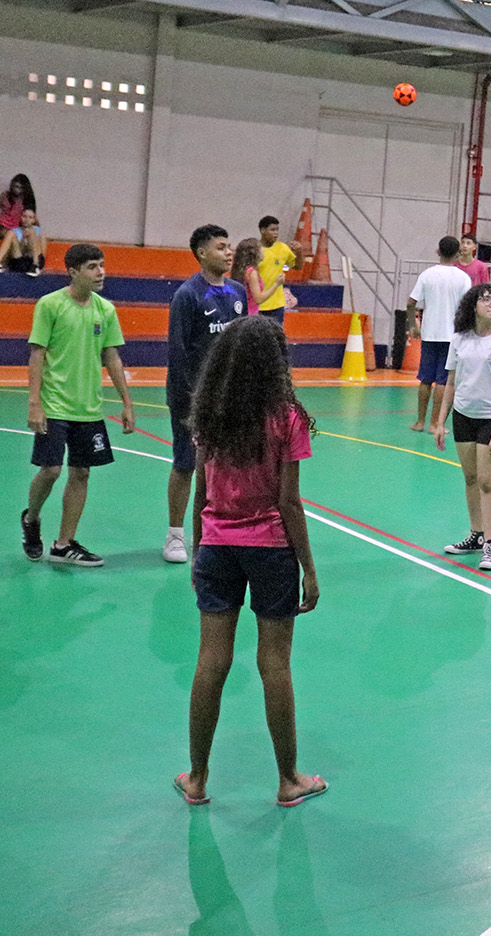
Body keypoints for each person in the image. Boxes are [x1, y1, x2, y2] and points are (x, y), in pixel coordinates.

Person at [175, 316, 325, 808]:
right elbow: (289, 502)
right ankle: (288, 780)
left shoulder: (210, 415)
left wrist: (199, 550)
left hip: (217, 547)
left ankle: (197, 778)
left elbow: (201, 493)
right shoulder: (287, 418)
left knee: (211, 662)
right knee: (274, 664)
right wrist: (308, 568)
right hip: (271, 550)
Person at [20, 243, 136, 568]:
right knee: (51, 470)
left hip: (89, 407)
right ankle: (31, 518)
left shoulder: (105, 310)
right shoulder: (50, 305)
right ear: (73, 272)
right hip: (54, 404)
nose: (101, 272)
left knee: (81, 472)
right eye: (92, 267)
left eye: (102, 265)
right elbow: (37, 354)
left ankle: (63, 544)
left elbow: (111, 356)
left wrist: (126, 402)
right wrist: (34, 403)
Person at [164, 225, 248, 564]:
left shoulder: (238, 292)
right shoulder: (187, 295)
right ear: (201, 253)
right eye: (220, 247)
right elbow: (178, 352)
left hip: (229, 396)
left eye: (229, 246)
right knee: (186, 464)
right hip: (192, 397)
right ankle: (175, 535)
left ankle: (219, 530)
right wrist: (188, 399)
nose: (228, 252)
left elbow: (243, 343)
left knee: (226, 464)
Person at [436, 285, 491, 573]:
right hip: (463, 416)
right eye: (486, 299)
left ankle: (490, 544)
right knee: (470, 478)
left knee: (487, 481)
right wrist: (440, 421)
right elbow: (451, 382)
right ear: (473, 305)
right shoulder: (459, 339)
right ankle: (476, 534)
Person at [406, 237, 472, 433]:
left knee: (425, 378)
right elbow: (467, 307)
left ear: (438, 251)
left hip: (429, 334)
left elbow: (411, 303)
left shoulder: (427, 275)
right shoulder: (463, 278)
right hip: (452, 336)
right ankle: (435, 423)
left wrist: (413, 325)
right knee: (443, 380)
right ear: (458, 253)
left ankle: (420, 421)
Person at [254, 216, 301, 327]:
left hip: (277, 304)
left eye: (277, 230)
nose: (276, 233)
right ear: (262, 230)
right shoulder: (254, 250)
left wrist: (299, 252)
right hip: (257, 305)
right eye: (272, 230)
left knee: (275, 335)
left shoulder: (282, 248)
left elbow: (298, 266)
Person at [0, 173, 39, 272]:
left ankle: (35, 264)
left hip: (18, 227)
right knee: (8, 234)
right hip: (3, 225)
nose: (16, 189)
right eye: (15, 186)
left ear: (24, 188)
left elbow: (31, 217)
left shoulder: (27, 200)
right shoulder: (5, 196)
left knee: (12, 235)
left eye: (19, 187)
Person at [2, 207, 45, 275]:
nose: (27, 220)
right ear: (20, 217)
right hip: (19, 260)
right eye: (24, 216)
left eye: (30, 217)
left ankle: (35, 265)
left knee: (31, 231)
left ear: (34, 220)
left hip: (33, 260)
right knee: (10, 233)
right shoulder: (15, 231)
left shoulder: (38, 231)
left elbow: (42, 252)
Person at [230, 237, 265, 315]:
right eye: (261, 249)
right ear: (254, 253)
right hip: (251, 313)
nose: (263, 251)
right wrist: (276, 285)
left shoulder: (241, 270)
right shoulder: (252, 272)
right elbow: (258, 299)